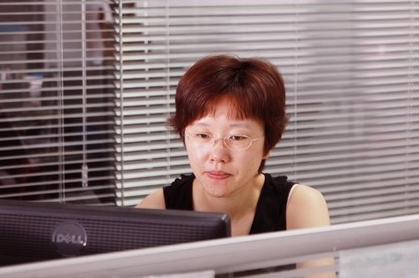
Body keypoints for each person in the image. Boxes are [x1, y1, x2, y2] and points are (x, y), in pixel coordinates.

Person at [137, 54, 330, 236]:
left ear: (267, 145)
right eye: (203, 135)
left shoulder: (299, 206)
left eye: (237, 137)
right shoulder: (156, 210)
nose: (218, 155)